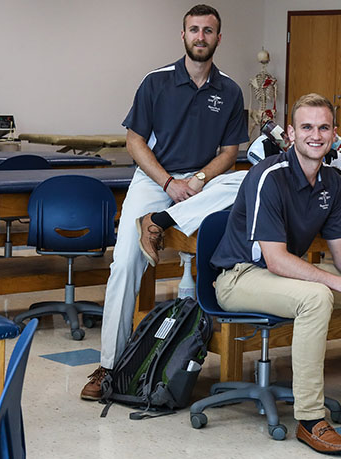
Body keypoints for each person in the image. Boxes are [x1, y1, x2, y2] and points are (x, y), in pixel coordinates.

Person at [211, 93, 341, 454]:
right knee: (317, 296)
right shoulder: (268, 176)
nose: (316, 135)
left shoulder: (331, 181)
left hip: (284, 276)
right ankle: (310, 419)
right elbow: (275, 259)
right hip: (240, 276)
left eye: (324, 127)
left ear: (333, 133)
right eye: (306, 127)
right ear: (291, 133)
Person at [81, 4, 249, 401]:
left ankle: (159, 221)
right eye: (194, 29)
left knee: (246, 179)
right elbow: (135, 142)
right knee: (124, 264)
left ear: (218, 39)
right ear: (183, 35)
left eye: (209, 31)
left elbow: (229, 153)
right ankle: (108, 366)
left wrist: (199, 180)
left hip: (202, 182)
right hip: (155, 180)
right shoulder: (156, 82)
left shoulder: (230, 90)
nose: (201, 37)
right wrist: (170, 183)